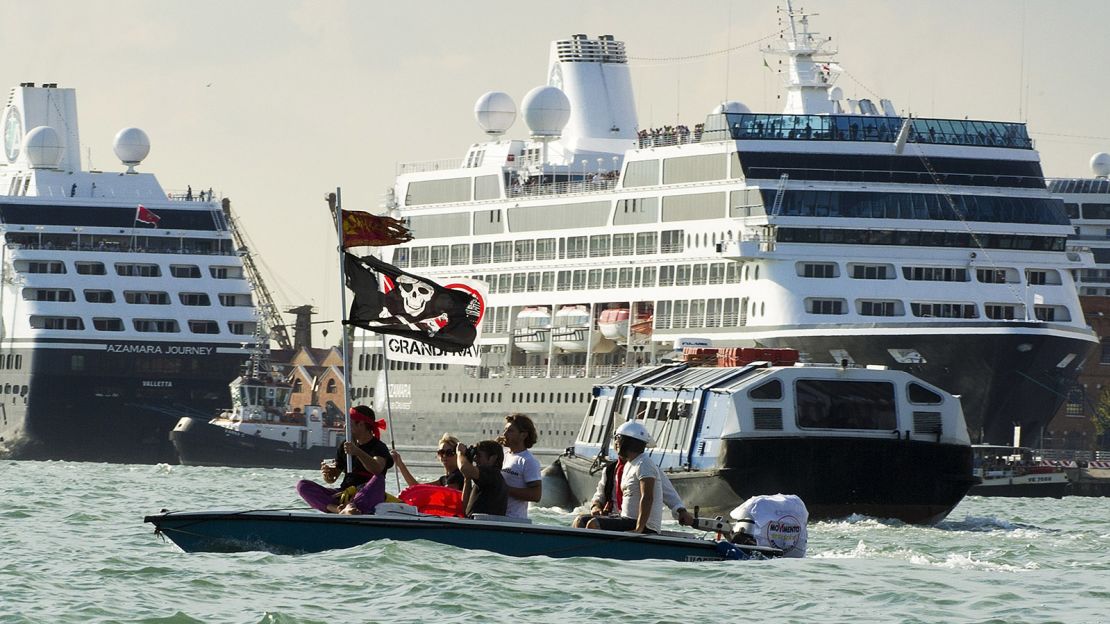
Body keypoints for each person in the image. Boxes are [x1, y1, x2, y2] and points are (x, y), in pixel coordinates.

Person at [295, 405, 393, 514]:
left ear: (360, 424)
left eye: (349, 424)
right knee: (302, 485)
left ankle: (352, 507)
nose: (344, 427)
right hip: (344, 494)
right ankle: (338, 509)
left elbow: (377, 469)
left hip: (368, 495)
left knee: (378, 479)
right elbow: (332, 479)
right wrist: (327, 474)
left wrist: (357, 452)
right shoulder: (345, 445)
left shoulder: (378, 447)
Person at [571, 451, 694, 529]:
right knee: (579, 520)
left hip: (632, 520)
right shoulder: (609, 470)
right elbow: (599, 496)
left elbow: (669, 494)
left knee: (593, 524)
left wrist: (681, 511)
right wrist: (596, 507)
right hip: (613, 517)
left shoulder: (646, 467)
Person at [581, 421, 664, 533]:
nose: (616, 443)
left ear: (628, 441)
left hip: (644, 526)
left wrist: (638, 529)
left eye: (618, 438)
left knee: (594, 524)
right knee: (580, 521)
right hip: (626, 519)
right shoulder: (629, 464)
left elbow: (647, 497)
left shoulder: (644, 463)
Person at [498, 413, 542, 519]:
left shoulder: (528, 461)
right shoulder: (502, 454)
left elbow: (536, 495)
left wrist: (505, 489)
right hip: (497, 517)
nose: (504, 434)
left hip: (514, 520)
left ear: (523, 435)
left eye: (510, 431)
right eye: (505, 430)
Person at [391, 433, 464, 490]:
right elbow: (417, 487)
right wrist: (400, 464)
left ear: (458, 454)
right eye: (441, 452)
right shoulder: (444, 479)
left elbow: (447, 494)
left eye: (449, 453)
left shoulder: (459, 476)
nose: (444, 456)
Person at [457, 439, 508, 517]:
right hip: (477, 525)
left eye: (479, 456)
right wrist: (467, 478)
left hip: (482, 525)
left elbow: (464, 468)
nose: (475, 459)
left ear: (493, 458)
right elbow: (465, 508)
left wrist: (460, 453)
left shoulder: (492, 474)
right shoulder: (488, 479)